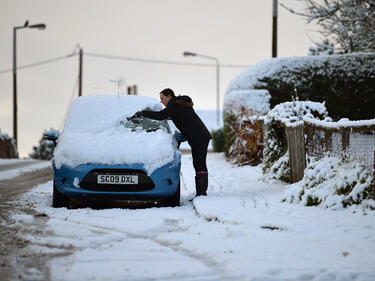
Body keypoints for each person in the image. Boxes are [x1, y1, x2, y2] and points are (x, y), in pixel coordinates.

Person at [129, 88, 212, 197]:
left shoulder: (174, 105)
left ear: (169, 96)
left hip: (199, 137)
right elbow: (184, 120)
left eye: (162, 98)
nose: (161, 101)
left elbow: (160, 116)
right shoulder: (179, 105)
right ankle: (201, 193)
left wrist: (142, 113)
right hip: (200, 136)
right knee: (199, 164)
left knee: (199, 164)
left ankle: (201, 194)